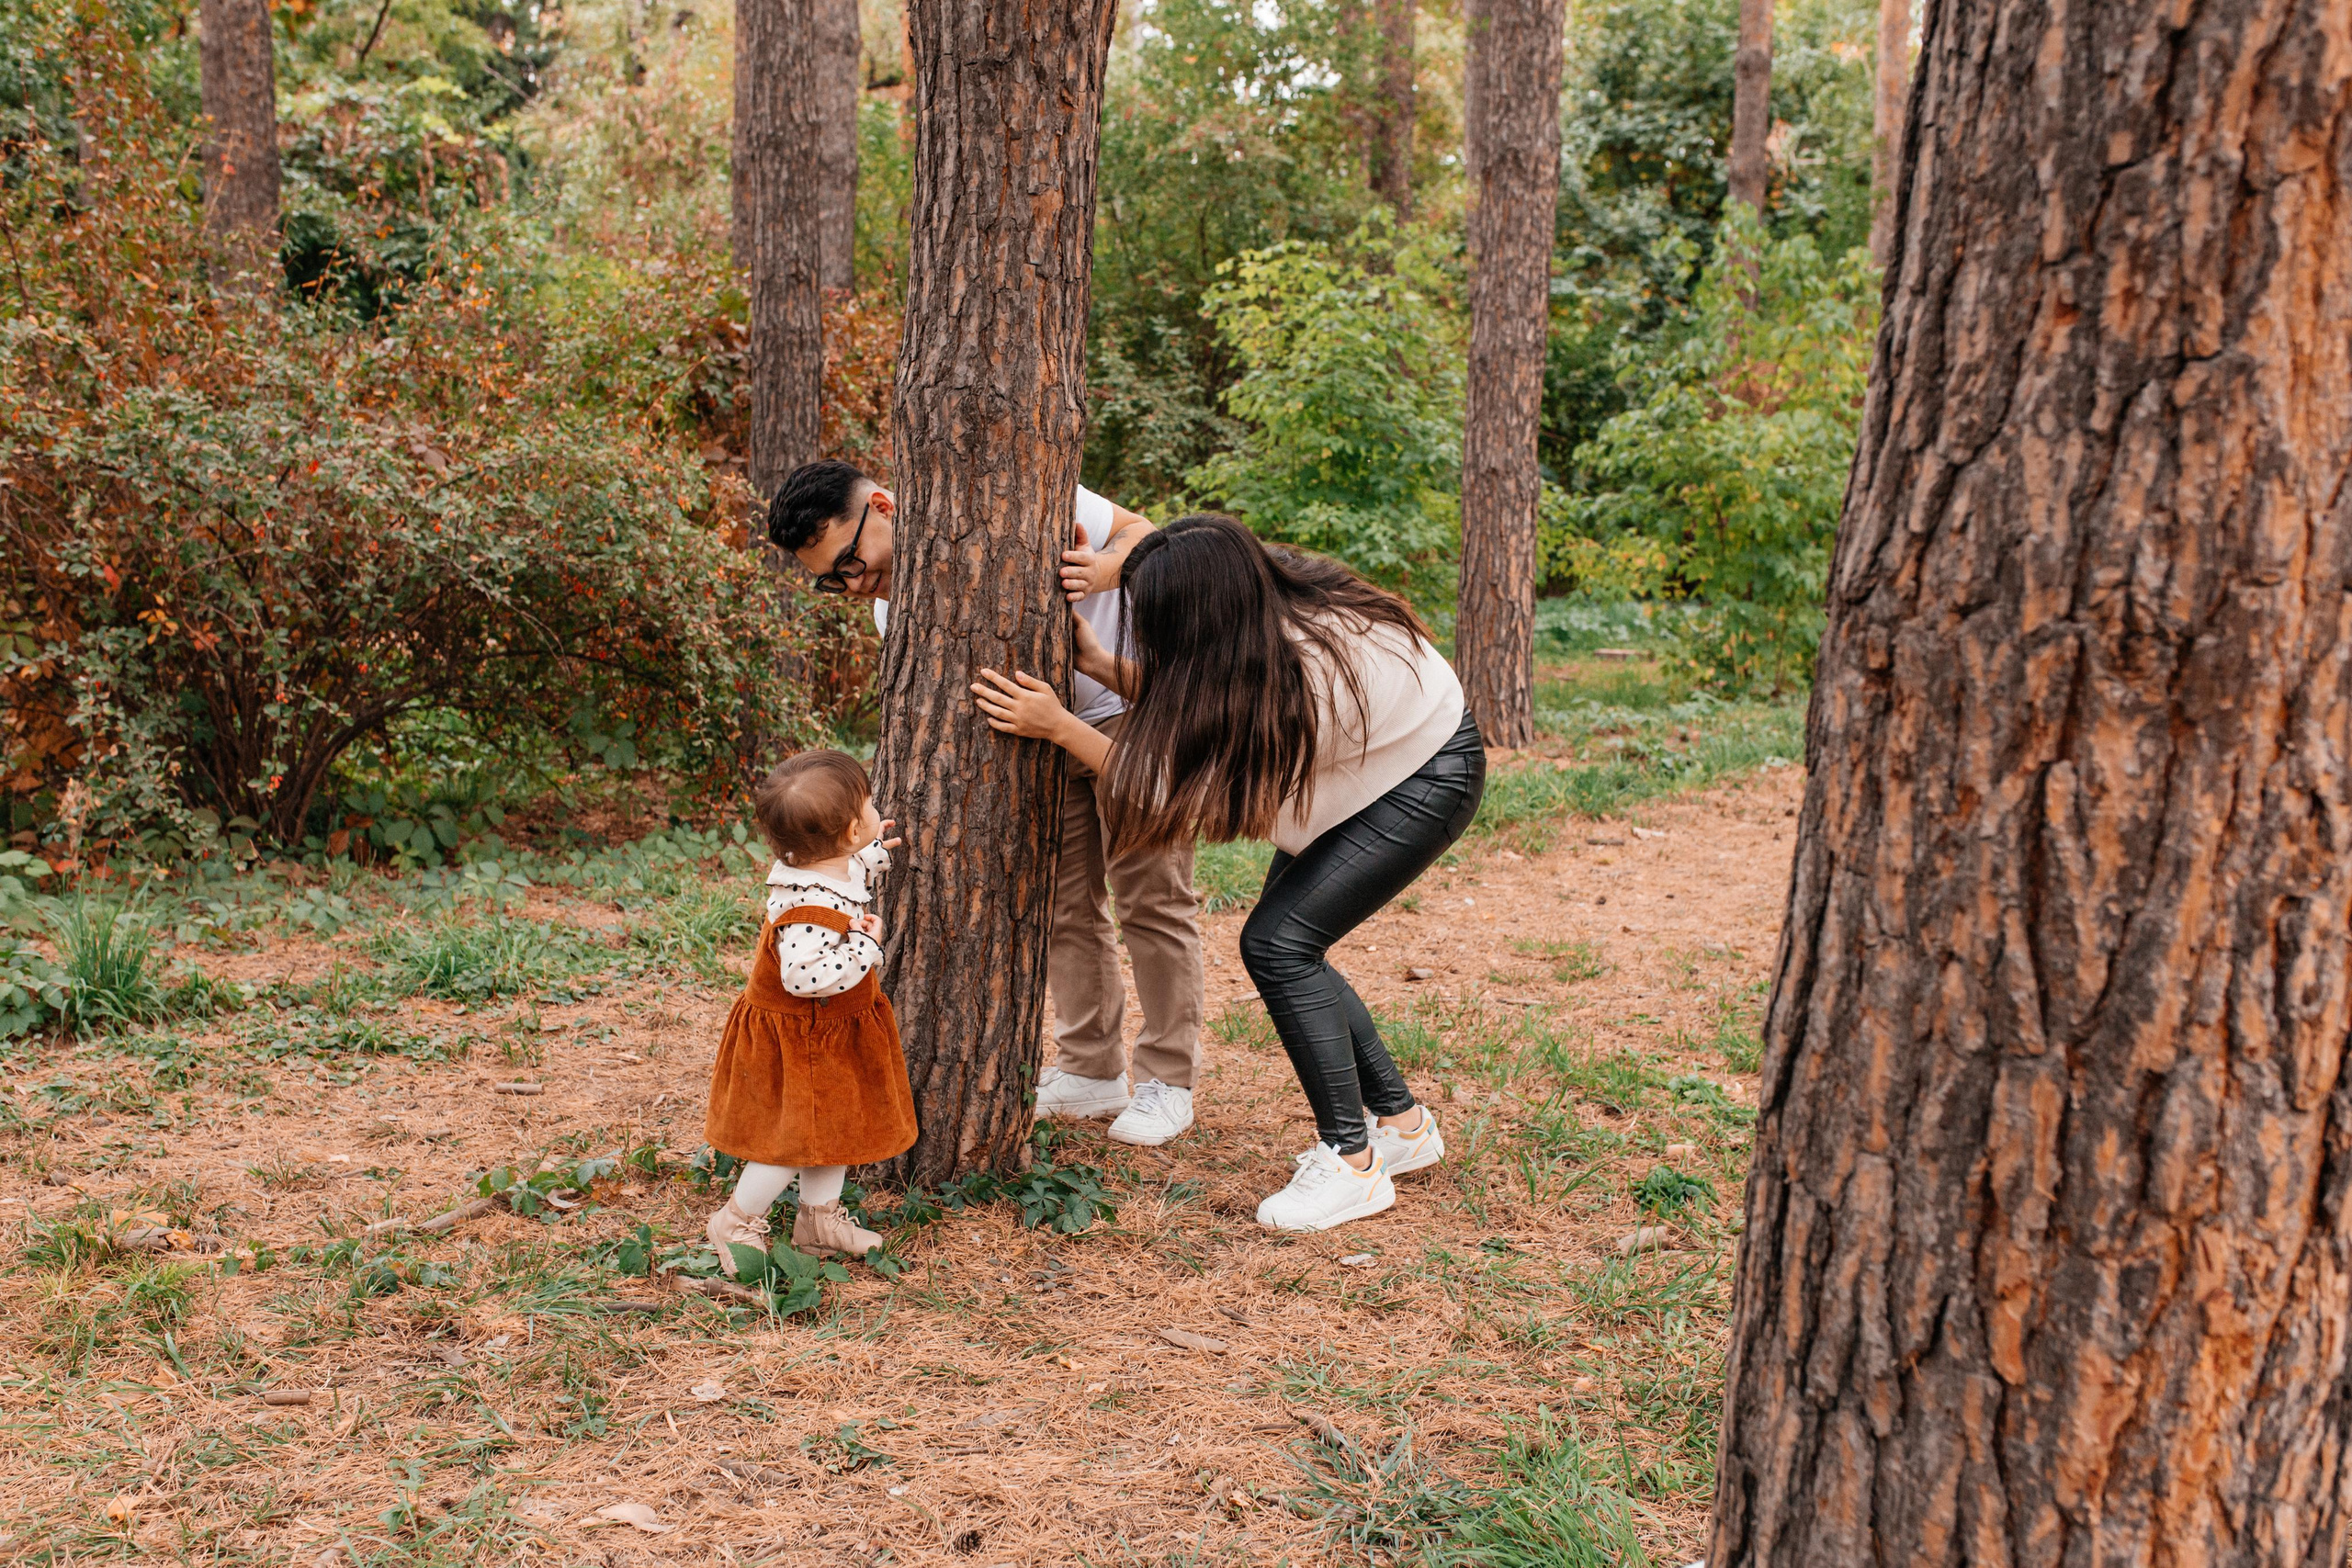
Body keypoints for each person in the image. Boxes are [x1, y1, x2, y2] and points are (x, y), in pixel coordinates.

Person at [971, 514, 1485, 1233]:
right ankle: (1399, 1126)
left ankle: (1352, 1163)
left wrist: (1060, 724)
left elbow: (1176, 787)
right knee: (1292, 943)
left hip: (1423, 775)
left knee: (1280, 945)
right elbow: (1207, 703)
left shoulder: (1302, 681)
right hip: (1377, 760)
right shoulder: (1259, 619)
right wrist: (1098, 667)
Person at [765, 460, 1205, 1147]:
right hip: (1040, 733)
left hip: (1130, 707)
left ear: (882, 504)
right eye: (832, 578)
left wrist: (1106, 572)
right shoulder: (893, 606)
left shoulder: (1010, 494)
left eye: (851, 559)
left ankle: (1167, 1079)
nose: (852, 584)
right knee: (1064, 903)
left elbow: (1145, 534)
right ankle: (1093, 1067)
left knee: (1152, 896)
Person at [704, 750, 917, 1270]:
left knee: (835, 1128)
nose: (875, 810)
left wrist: (868, 856)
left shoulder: (819, 867)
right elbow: (803, 979)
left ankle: (818, 1220)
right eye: (867, 807)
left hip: (828, 1034)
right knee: (794, 1143)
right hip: (802, 1038)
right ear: (847, 831)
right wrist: (865, 948)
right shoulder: (805, 910)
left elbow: (840, 873)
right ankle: (733, 1222)